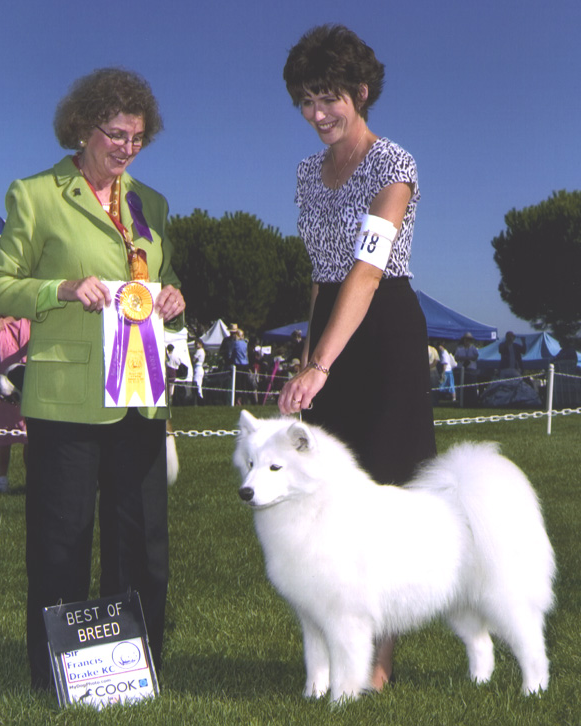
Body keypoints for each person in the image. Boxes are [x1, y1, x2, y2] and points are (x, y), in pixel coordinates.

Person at [0, 68, 185, 690]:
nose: (127, 147)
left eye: (138, 137)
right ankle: (56, 675)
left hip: (140, 398)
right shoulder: (36, 194)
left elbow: (159, 283)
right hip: (66, 397)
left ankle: (135, 669)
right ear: (82, 128)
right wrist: (60, 288)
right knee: (61, 541)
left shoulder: (151, 202)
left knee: (143, 544)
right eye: (116, 134)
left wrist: (174, 298)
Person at [278, 24, 436, 689]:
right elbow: (323, 276)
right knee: (328, 502)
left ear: (360, 92)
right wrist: (308, 357)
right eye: (305, 102)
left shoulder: (393, 164)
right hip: (330, 332)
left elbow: (367, 273)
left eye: (328, 99)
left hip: (385, 332)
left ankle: (377, 664)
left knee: (386, 499)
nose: (317, 115)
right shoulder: (305, 175)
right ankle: (335, 647)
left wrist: (324, 365)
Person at [0, 315, 30, 492]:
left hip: (25, 384)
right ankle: (1, 483)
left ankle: (32, 481)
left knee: (29, 438)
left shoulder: (29, 317)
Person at [192, 338, 206, 403]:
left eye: (196, 344)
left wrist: (193, 360)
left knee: (197, 383)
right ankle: (200, 397)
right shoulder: (203, 351)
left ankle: (198, 398)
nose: (195, 345)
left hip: (198, 367)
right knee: (199, 383)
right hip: (200, 367)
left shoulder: (199, 351)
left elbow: (194, 359)